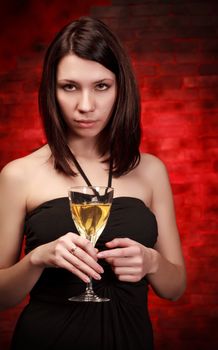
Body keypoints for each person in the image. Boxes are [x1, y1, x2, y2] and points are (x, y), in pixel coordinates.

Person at [0, 16, 186, 350]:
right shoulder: (19, 174)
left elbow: (174, 288)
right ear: (50, 90)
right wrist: (37, 259)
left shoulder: (151, 171)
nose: (85, 106)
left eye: (101, 86)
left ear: (120, 87)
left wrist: (152, 262)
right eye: (69, 86)